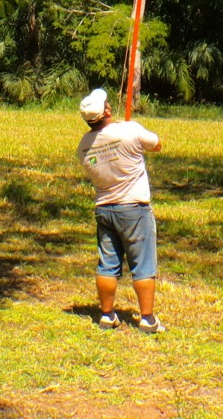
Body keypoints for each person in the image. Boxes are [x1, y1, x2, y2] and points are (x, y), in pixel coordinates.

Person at [76, 87, 165, 333]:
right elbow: (157, 145)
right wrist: (131, 129)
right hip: (134, 209)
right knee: (143, 264)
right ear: (106, 110)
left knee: (107, 264)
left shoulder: (83, 146)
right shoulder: (130, 130)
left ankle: (107, 315)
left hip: (104, 209)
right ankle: (147, 319)